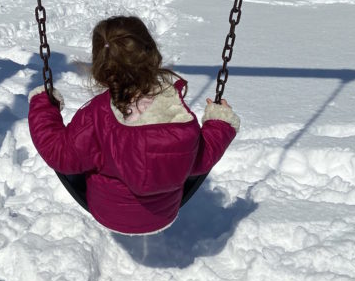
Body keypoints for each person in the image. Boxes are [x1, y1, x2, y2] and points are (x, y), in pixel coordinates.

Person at [28, 15, 239, 234]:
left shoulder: (96, 117)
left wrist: (43, 105)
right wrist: (220, 122)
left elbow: (58, 152)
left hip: (108, 213)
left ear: (101, 68)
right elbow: (202, 158)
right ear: (153, 55)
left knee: (80, 153)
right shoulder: (178, 117)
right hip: (163, 213)